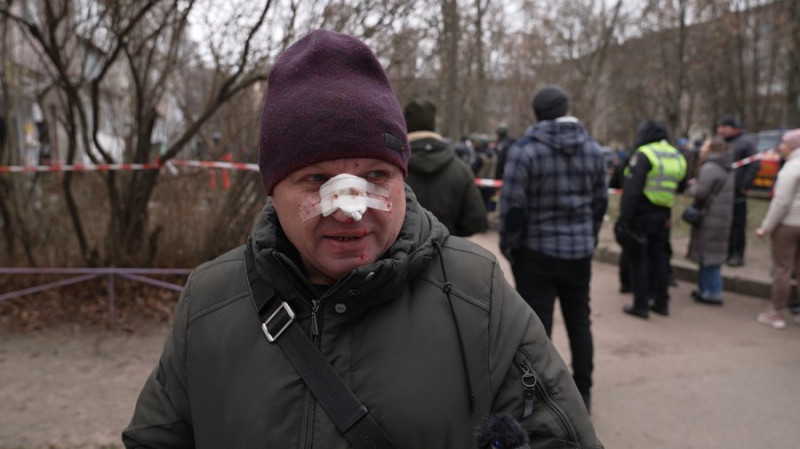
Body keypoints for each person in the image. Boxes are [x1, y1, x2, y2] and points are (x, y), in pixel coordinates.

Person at [122, 30, 602, 448]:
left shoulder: (479, 296)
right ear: (273, 189)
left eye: (375, 176)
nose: (351, 210)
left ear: (401, 178)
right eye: (315, 180)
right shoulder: (208, 302)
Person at [499, 85, 608, 413]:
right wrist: (589, 236)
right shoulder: (593, 150)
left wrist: (510, 246)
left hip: (536, 253)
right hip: (578, 252)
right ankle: (583, 392)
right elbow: (600, 202)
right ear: (566, 109)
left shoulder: (526, 150)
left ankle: (542, 394)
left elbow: (513, 207)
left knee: (537, 328)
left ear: (537, 113)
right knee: (579, 320)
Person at [619, 119, 687, 319]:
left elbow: (631, 190)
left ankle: (641, 305)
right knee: (659, 258)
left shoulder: (645, 154)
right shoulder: (677, 155)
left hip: (642, 212)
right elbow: (681, 187)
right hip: (664, 213)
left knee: (639, 259)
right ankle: (661, 302)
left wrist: (625, 218)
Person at [404, 98, 488, 236]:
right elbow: (475, 221)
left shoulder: (388, 170)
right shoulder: (461, 169)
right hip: (448, 252)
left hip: (399, 255)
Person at [755, 129, 800, 329]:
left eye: (783, 143)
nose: (780, 147)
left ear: (792, 146)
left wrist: (766, 227)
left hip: (788, 225)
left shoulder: (791, 167)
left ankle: (776, 312)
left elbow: (781, 201)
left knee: (783, 268)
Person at [686, 137, 734, 306]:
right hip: (720, 218)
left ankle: (712, 293)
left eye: (705, 146)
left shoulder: (710, 167)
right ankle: (705, 289)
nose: (701, 149)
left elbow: (700, 193)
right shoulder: (725, 167)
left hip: (710, 219)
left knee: (708, 258)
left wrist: (692, 187)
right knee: (712, 256)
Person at [717, 115, 759, 267]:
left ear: (733, 128)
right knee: (724, 222)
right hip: (721, 190)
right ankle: (726, 252)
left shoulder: (745, 142)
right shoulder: (722, 143)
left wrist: (745, 186)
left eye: (724, 127)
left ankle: (737, 254)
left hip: (737, 190)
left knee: (737, 223)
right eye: (719, 127)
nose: (720, 130)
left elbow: (754, 164)